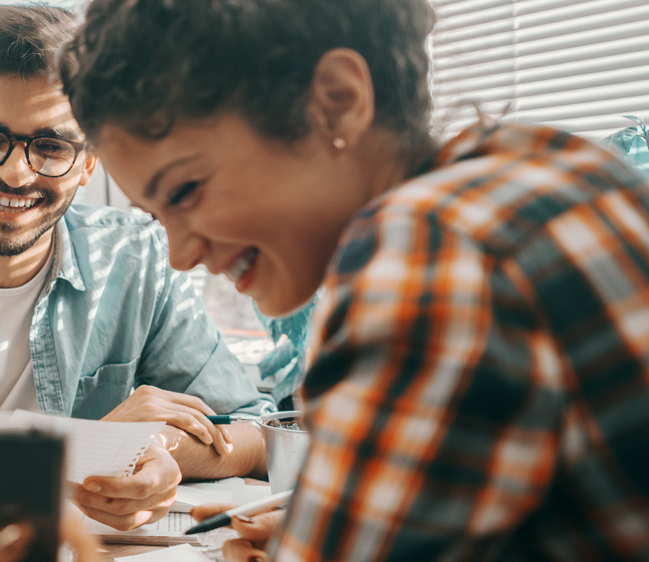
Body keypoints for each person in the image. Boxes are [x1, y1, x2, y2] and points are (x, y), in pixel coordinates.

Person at [59, 0, 649, 560]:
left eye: (186, 191)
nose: (181, 256)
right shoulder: (557, 167)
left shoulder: (429, 252)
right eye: (159, 217)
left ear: (336, 104)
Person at [0, 4, 274, 532]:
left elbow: (253, 430)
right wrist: (85, 449)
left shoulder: (136, 258)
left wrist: (157, 449)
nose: (16, 172)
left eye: (49, 147)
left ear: (88, 163)